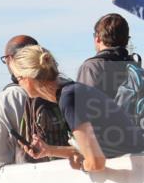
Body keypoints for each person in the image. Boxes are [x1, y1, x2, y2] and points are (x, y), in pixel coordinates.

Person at [11, 45, 144, 170]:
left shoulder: (69, 99)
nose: (18, 84)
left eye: (17, 79)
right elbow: (96, 149)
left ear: (27, 79)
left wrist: (81, 165)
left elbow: (96, 162)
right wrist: (48, 150)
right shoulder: (72, 91)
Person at [0, 35, 69, 169]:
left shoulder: (6, 99)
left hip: (33, 181)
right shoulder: (69, 89)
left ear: (10, 59)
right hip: (80, 175)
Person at [77, 13, 137, 100]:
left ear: (98, 38)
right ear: (127, 40)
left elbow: (85, 108)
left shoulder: (92, 67)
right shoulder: (134, 67)